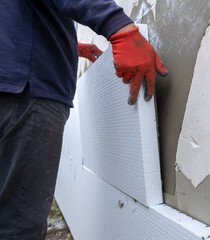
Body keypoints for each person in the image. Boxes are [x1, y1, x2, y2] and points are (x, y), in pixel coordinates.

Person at [0, 1, 168, 239]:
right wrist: (119, 27)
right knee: (16, 226)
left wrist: (60, 42)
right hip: (26, 89)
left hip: (13, 84)